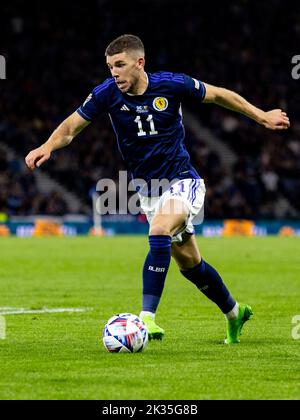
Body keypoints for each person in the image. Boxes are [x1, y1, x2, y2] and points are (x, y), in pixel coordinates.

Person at [25, 34, 290, 344]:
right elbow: (71, 127)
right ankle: (234, 313)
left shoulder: (171, 84)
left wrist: (262, 116)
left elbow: (217, 95)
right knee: (191, 265)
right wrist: (48, 146)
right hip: (148, 191)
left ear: (140, 63)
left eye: (120, 65)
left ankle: (146, 319)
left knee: (160, 229)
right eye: (110, 66)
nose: (114, 73)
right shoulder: (106, 94)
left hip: (182, 181)